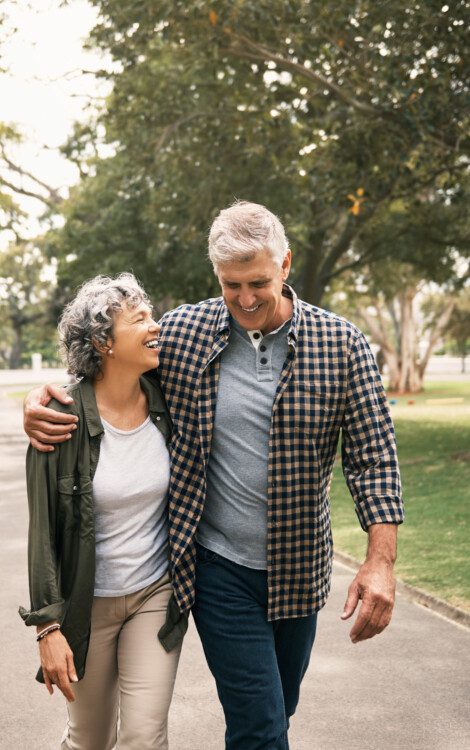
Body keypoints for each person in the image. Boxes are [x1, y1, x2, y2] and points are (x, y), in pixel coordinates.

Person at [24, 201, 403, 750]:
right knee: (259, 726)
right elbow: (106, 364)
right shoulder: (185, 332)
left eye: (258, 283)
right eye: (231, 285)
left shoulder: (342, 346)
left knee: (278, 710)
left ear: (286, 264)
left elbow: (375, 456)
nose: (245, 300)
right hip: (217, 569)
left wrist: (380, 561)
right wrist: (42, 399)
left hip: (300, 568)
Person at [19, 273, 186, 750]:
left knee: (144, 736)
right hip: (85, 605)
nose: (156, 327)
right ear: (102, 341)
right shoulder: (59, 423)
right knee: (90, 740)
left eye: (152, 315)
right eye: (140, 319)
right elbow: (42, 536)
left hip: (156, 595)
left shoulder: (168, 401)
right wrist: (47, 627)